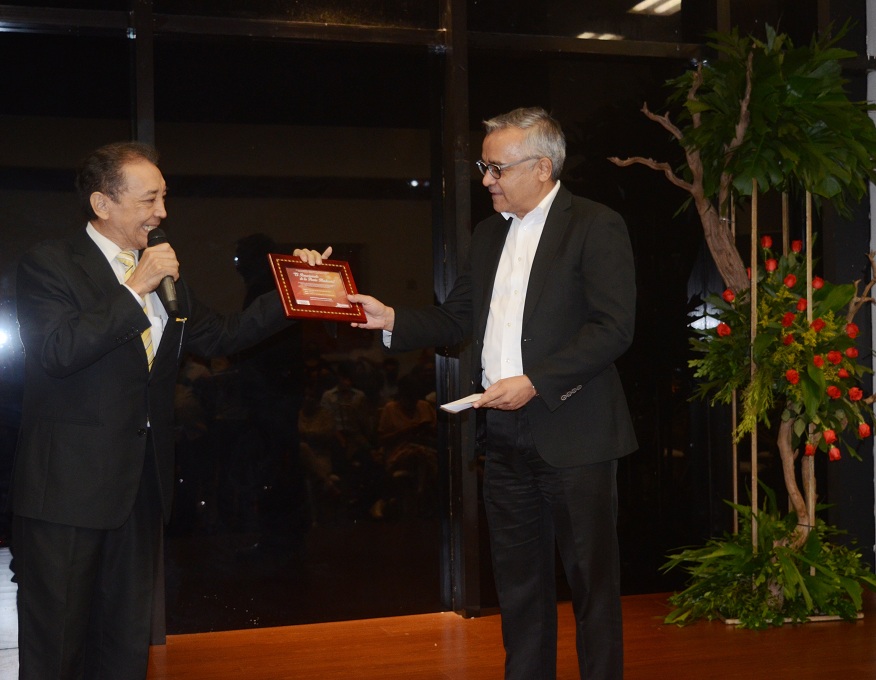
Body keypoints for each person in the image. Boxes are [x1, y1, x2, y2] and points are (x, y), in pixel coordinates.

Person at [10, 140, 327, 680]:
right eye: (149, 199)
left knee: (125, 639)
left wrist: (292, 289)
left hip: (140, 487)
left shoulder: (166, 275)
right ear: (102, 204)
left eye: (164, 197)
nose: (162, 212)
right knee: (58, 640)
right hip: (66, 491)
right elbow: (56, 352)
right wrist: (135, 289)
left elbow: (223, 333)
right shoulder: (52, 263)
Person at [347, 107, 637, 679]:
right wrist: (391, 319)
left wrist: (536, 381)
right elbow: (456, 321)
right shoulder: (486, 236)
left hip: (575, 433)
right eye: (485, 166)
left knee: (592, 589)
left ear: (543, 168)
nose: (486, 180)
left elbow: (613, 328)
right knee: (520, 589)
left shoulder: (595, 225)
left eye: (496, 167)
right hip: (502, 435)